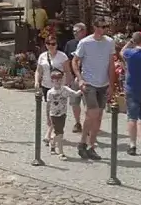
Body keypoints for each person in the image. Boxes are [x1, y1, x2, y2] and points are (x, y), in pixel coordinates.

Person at [71, 19, 116, 161]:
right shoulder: (85, 42)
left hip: (103, 83)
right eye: (101, 27)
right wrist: (80, 78)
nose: (103, 29)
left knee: (98, 116)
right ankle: (82, 142)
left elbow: (111, 64)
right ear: (95, 27)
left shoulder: (109, 42)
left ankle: (91, 146)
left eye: (105, 27)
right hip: (89, 83)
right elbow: (75, 61)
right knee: (92, 113)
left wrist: (111, 84)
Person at [34, 38, 70, 145]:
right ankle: (53, 131)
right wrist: (37, 81)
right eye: (48, 44)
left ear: (57, 45)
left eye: (53, 44)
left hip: (59, 88)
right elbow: (38, 70)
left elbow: (67, 71)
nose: (51, 46)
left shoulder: (62, 56)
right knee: (49, 109)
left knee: (56, 110)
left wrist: (67, 85)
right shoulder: (42, 56)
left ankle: (49, 132)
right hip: (47, 86)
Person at [45, 70, 82, 159]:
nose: (58, 81)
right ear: (52, 81)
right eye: (55, 80)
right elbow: (48, 105)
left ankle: (52, 144)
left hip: (63, 114)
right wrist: (48, 118)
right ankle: (61, 152)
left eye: (59, 79)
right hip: (54, 115)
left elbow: (75, 94)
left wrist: (81, 90)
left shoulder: (65, 89)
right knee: (60, 134)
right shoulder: (50, 92)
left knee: (58, 132)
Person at [63, 23, 87, 133]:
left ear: (83, 31)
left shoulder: (89, 43)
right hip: (73, 78)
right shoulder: (70, 44)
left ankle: (88, 125)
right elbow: (67, 60)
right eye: (73, 31)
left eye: (76, 31)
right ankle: (77, 123)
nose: (74, 33)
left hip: (87, 78)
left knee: (88, 103)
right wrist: (68, 76)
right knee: (74, 102)